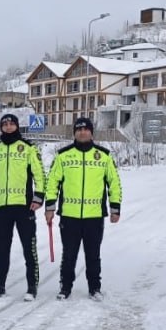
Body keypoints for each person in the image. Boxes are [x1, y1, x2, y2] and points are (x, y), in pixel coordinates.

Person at [44, 116, 122, 301]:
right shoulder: (63, 155)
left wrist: (115, 208)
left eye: (85, 129)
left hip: (94, 216)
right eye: (78, 129)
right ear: (74, 133)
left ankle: (95, 288)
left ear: (91, 132)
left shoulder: (103, 156)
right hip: (69, 216)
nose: (82, 132)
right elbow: (52, 183)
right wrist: (50, 207)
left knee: (93, 255)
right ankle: (65, 288)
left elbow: (114, 184)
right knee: (69, 255)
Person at [0, 113, 45, 301]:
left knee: (28, 249)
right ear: (1, 127)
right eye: (4, 124)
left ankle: (32, 287)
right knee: (2, 250)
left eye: (11, 123)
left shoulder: (28, 148)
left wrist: (38, 198)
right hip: (2, 208)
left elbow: (39, 175)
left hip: (25, 207)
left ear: (17, 126)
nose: (8, 126)